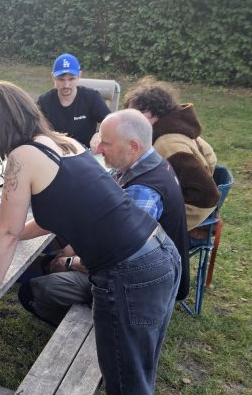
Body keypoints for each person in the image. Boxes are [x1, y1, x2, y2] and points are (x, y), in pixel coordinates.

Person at [0, 82, 180, 395]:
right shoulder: (60, 142)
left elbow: (5, 230)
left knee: (130, 390)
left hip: (130, 272)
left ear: (2, 125)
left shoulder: (23, 155)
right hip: (156, 252)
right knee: (131, 375)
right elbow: (52, 213)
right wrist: (4, 238)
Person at [20, 109, 190, 328]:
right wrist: (69, 247)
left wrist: (71, 262)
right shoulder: (141, 164)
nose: (98, 149)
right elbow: (86, 212)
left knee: (33, 290)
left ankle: (90, 328)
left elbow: (124, 261)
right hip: (133, 264)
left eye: (106, 144)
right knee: (53, 248)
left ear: (133, 146)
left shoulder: (143, 191)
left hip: (134, 286)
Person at [123, 77, 220, 230]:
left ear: (158, 114)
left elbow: (207, 195)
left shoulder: (169, 145)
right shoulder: (177, 130)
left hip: (183, 228)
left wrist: (171, 222)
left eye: (140, 114)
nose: (131, 121)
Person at [36, 53, 110, 148]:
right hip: (55, 152)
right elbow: (34, 129)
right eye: (61, 79)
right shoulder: (44, 102)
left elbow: (110, 121)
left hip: (86, 153)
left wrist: (99, 134)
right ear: (53, 77)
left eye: (71, 79)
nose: (66, 85)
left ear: (79, 75)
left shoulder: (91, 98)